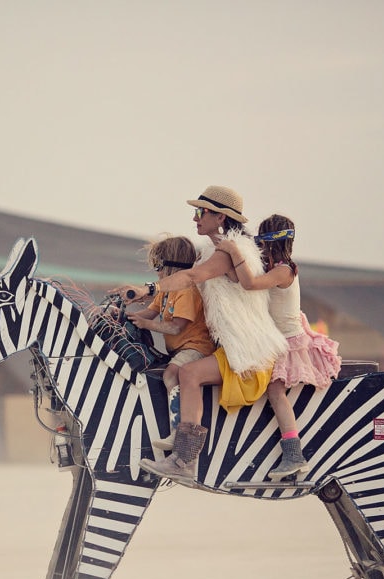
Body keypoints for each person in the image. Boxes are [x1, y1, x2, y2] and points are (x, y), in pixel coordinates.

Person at [113, 185, 287, 483]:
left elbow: (191, 276)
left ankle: (184, 460)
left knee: (189, 374)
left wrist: (148, 289)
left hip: (248, 351)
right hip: (233, 347)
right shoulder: (214, 251)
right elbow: (184, 275)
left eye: (200, 212)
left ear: (219, 217)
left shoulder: (231, 252)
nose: (195, 219)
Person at [218, 214, 342, 477]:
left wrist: (232, 249)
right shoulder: (274, 268)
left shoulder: (283, 271)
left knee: (275, 392)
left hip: (287, 342)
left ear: (269, 243)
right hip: (274, 337)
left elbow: (249, 284)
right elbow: (238, 278)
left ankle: (294, 453)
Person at [125, 235, 216, 449]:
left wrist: (146, 326)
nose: (156, 271)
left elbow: (176, 327)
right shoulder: (166, 291)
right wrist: (126, 316)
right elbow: (149, 312)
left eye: (158, 265)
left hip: (196, 346)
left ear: (171, 265)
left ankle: (178, 432)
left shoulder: (186, 291)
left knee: (171, 374)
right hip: (179, 348)